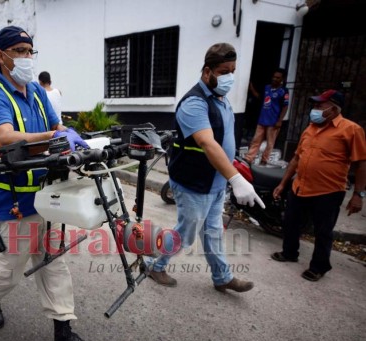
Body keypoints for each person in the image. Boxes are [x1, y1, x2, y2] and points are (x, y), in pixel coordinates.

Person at [0, 26, 98, 341]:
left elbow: (57, 127)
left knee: (54, 264)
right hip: (14, 202)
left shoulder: (37, 92)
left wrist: (68, 133)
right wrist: (52, 136)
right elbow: (4, 137)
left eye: (30, 51)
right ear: (2, 57)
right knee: (8, 273)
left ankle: (64, 332)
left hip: (49, 196)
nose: (27, 57)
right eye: (19, 50)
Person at [145, 43, 264, 292]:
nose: (229, 77)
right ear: (207, 71)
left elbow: (224, 142)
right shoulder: (194, 104)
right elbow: (208, 144)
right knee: (186, 234)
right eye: (223, 71)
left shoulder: (221, 100)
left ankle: (222, 277)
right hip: (194, 184)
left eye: (233, 70)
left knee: (213, 233)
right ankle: (154, 265)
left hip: (216, 183)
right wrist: (236, 179)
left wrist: (232, 170)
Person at [271, 90, 366, 281]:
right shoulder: (310, 128)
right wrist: (283, 184)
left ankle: (319, 266)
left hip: (328, 191)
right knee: (291, 222)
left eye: (320, 106)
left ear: (333, 109)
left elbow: (362, 163)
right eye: (314, 106)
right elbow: (296, 158)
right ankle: (290, 252)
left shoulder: (351, 130)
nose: (315, 109)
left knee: (322, 231)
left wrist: (358, 194)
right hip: (300, 186)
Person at [243, 68, 289, 165]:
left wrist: (280, 120)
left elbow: (285, 107)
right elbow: (260, 98)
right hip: (262, 120)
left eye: (278, 77)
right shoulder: (266, 88)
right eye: (274, 77)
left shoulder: (284, 91)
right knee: (256, 140)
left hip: (274, 121)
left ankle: (264, 160)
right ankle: (249, 158)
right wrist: (251, 88)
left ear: (282, 79)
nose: (274, 79)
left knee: (270, 143)